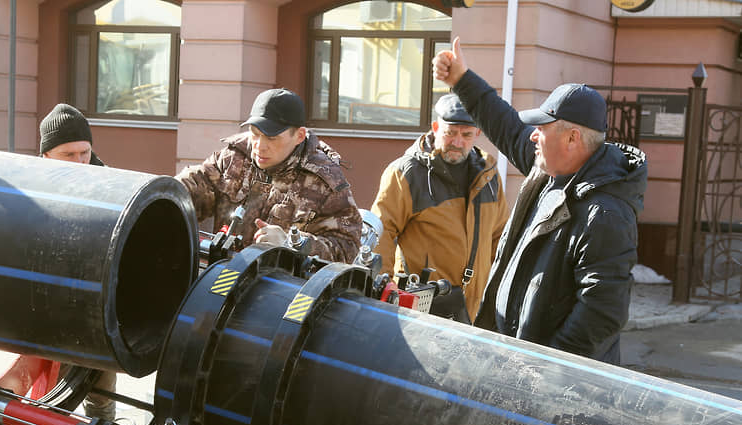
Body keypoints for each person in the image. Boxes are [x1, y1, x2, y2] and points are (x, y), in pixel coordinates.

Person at [432, 37, 648, 363]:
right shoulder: (550, 168)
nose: (532, 134)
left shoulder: (605, 213)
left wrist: (543, 372)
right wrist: (461, 80)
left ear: (572, 138)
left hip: (550, 389)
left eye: (542, 127)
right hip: (515, 362)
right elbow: (506, 124)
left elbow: (602, 313)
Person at [1, 104, 118, 425]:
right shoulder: (27, 190)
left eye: (85, 152)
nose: (80, 162)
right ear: (46, 154)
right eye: (69, 154)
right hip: (45, 318)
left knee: (100, 407)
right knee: (39, 412)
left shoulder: (112, 187)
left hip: (97, 320)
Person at [176, 88, 362, 264]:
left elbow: (347, 249)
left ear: (299, 135)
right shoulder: (234, 157)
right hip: (220, 275)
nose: (260, 145)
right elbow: (190, 188)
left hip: (279, 291)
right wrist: (162, 195)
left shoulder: (327, 182)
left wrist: (290, 243)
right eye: (255, 134)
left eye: (271, 138)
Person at [371, 94, 509, 323]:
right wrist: (385, 286)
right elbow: (380, 230)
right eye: (450, 133)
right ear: (435, 128)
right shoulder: (406, 172)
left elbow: (499, 238)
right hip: (420, 307)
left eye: (466, 135)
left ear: (478, 133)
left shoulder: (489, 175)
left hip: (476, 308)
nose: (457, 142)